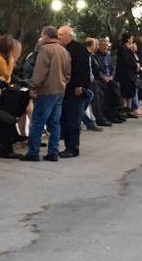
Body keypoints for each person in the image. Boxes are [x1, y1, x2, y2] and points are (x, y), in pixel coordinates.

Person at [21, 26, 70, 162]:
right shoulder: (64, 50)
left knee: (37, 122)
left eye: (42, 35)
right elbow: (67, 73)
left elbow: (40, 72)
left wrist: (33, 86)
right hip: (59, 90)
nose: (41, 38)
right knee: (55, 123)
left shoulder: (45, 50)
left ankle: (33, 152)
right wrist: (63, 83)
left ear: (46, 35)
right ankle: (53, 152)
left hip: (46, 91)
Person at [57, 25, 90, 158]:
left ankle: (73, 148)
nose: (59, 37)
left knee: (73, 119)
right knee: (65, 118)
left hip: (75, 89)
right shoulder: (61, 48)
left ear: (70, 35)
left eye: (61, 35)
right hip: (63, 88)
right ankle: (67, 146)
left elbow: (84, 69)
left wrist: (80, 86)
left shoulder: (79, 48)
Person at [114, 34, 141, 118]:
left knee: (130, 93)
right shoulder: (122, 48)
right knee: (125, 93)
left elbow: (133, 59)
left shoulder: (128, 49)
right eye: (131, 38)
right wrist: (135, 65)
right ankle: (124, 110)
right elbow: (126, 61)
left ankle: (129, 110)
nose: (132, 40)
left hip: (131, 74)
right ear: (128, 39)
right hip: (125, 74)